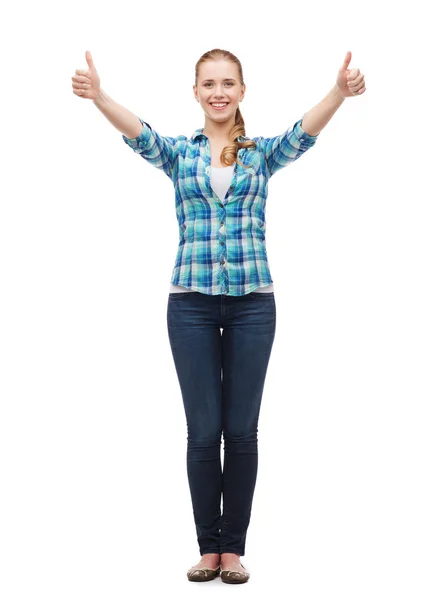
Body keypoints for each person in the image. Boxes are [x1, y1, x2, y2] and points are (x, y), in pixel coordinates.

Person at [72, 47, 366, 584]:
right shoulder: (180, 154)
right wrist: (98, 97)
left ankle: (234, 550)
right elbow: (140, 133)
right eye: (208, 84)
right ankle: (208, 548)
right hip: (191, 305)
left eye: (228, 83)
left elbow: (303, 132)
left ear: (242, 91)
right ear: (196, 92)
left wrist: (340, 95)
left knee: (242, 430)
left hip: (254, 303)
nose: (218, 92)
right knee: (204, 432)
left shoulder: (260, 153)